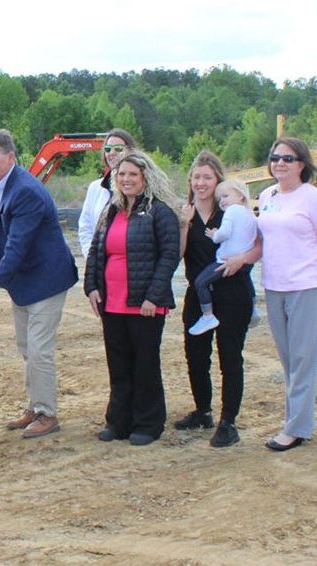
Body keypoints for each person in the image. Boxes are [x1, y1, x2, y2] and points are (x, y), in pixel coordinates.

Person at [221, 137, 317, 451]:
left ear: (301, 163)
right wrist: (237, 256)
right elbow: (261, 240)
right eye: (275, 158)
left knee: (303, 359)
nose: (279, 164)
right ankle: (299, 422)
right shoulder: (268, 196)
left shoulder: (313, 198)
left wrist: (314, 274)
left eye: (287, 159)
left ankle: (296, 428)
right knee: (289, 359)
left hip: (305, 288)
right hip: (274, 287)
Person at [0, 129, 77, 439]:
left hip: (46, 279)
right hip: (24, 282)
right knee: (26, 347)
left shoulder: (26, 191)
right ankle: (35, 406)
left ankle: (47, 414)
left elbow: (17, 245)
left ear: (10, 157)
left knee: (39, 350)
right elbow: (5, 243)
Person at [84, 150, 180, 446]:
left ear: (145, 178)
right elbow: (96, 250)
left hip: (145, 304)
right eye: (121, 174)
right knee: (119, 364)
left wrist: (153, 296)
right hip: (111, 301)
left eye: (132, 175)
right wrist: (91, 287)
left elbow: (169, 256)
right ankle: (118, 421)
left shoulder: (159, 212)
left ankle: (148, 423)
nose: (126, 180)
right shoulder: (110, 211)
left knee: (145, 364)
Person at [175, 151, 255, 448]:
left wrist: (243, 259)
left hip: (233, 292)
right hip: (198, 294)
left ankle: (228, 422)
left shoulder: (232, 210)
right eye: (196, 177)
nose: (201, 183)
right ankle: (203, 411)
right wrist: (184, 223)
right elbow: (177, 254)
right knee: (196, 355)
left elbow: (257, 244)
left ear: (218, 180)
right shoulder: (186, 213)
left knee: (229, 357)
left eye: (207, 177)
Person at [187, 179, 259, 336]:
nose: (222, 201)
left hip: (226, 260)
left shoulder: (232, 211)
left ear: (240, 195)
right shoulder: (250, 214)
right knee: (247, 279)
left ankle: (207, 315)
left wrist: (214, 235)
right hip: (243, 261)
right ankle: (254, 308)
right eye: (220, 199)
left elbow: (224, 233)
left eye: (226, 196)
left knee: (200, 282)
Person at [78, 128, 137, 258]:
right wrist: (91, 256)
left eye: (118, 148)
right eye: (108, 148)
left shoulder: (140, 187)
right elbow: (85, 226)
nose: (112, 153)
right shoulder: (95, 188)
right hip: (99, 263)